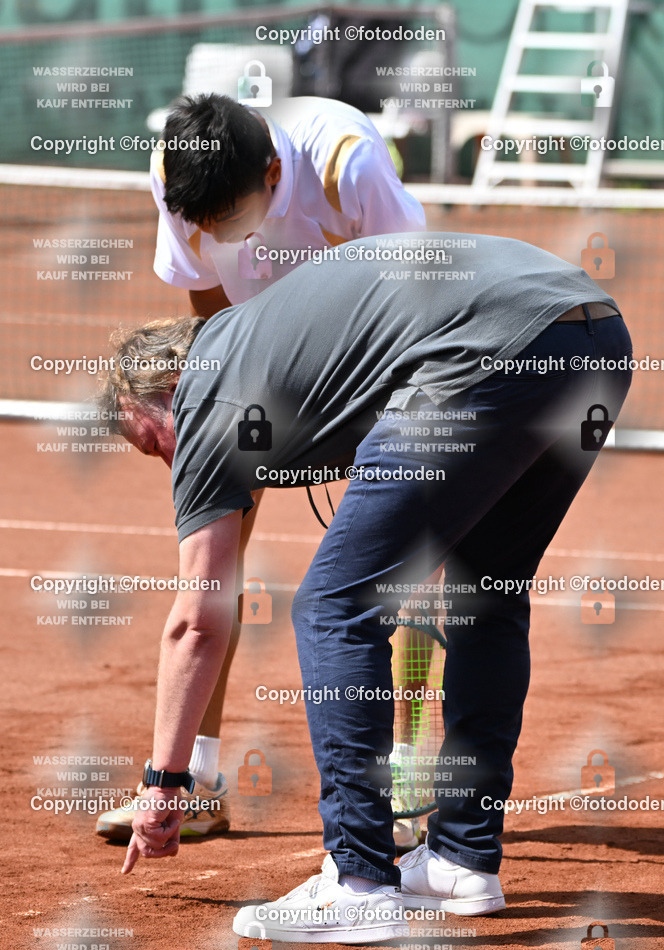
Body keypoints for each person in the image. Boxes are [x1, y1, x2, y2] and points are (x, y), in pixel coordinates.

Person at [101, 232, 632, 943]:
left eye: (151, 443)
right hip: (591, 338)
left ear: (164, 389)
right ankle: (459, 858)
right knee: (487, 594)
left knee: (333, 604)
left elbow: (198, 619)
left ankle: (357, 881)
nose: (167, 463)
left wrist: (163, 781)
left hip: (483, 352)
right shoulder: (266, 340)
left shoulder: (203, 394)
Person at [95, 92, 425, 845]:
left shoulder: (349, 165)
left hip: (382, 356)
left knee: (403, 560)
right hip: (260, 370)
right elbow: (211, 309)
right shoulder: (178, 173)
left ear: (276, 174)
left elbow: (420, 295)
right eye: (202, 225)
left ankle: (405, 776)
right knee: (212, 571)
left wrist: (359, 415)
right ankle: (197, 781)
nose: (214, 236)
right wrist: (225, 421)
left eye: (229, 221)